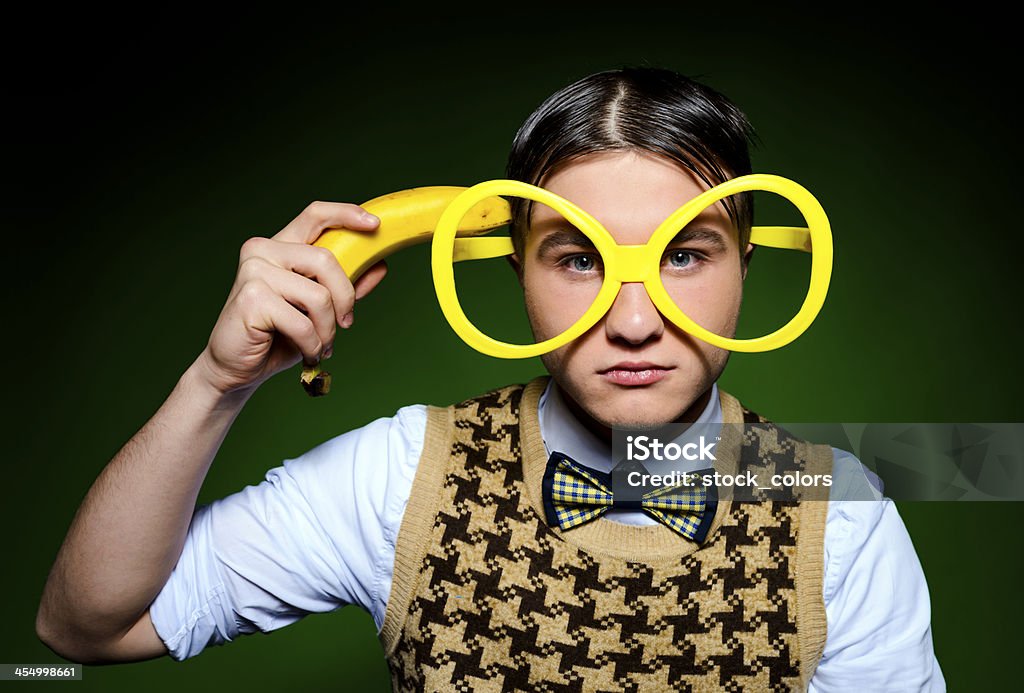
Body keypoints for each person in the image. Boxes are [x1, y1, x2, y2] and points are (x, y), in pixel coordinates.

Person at [36, 67, 944, 691]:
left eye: (687, 253)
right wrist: (214, 383)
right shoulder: (400, 474)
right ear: (517, 272)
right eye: (580, 260)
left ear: (748, 264)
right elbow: (85, 628)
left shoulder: (841, 515)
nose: (634, 319)